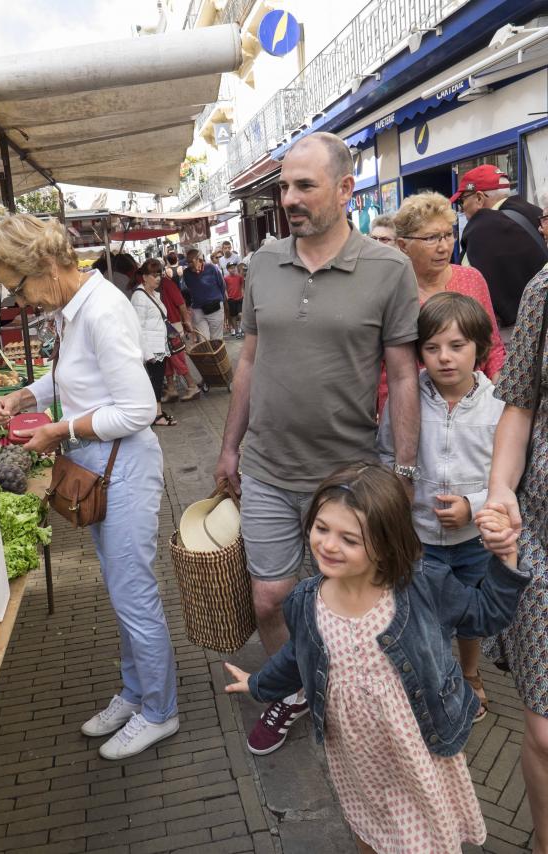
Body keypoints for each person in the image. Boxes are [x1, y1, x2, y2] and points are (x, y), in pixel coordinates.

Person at [215, 131, 421, 755]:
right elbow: (247, 360)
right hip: (269, 467)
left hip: (347, 476)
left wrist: (403, 471)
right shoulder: (262, 264)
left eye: (305, 185)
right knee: (270, 595)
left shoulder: (389, 269)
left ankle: (357, 694)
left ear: (345, 188)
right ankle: (297, 690)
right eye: (284, 186)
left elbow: (405, 373)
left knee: (349, 596)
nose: (290, 199)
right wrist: (229, 447)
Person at [225, 463, 529, 854]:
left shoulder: (422, 585)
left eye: (349, 539)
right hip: (355, 755)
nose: (329, 545)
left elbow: (486, 613)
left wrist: (505, 560)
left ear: (386, 543)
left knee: (425, 837)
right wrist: (258, 684)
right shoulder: (305, 601)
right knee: (367, 825)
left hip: (418, 747)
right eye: (321, 528)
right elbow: (297, 657)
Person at [0, 213, 178, 760]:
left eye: (18, 287)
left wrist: (60, 429)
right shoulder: (76, 309)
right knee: (122, 593)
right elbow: (73, 376)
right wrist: (24, 398)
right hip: (99, 468)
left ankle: (160, 709)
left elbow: (141, 409)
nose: (21, 301)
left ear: (45, 265)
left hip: (123, 468)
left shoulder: (103, 309)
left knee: (134, 595)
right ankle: (136, 693)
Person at [379, 292, 505, 721]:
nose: (444, 358)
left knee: (470, 613)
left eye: (457, 346)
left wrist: (473, 506)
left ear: (480, 348)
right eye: (431, 348)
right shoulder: (406, 398)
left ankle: (470, 674)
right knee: (422, 616)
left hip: (474, 540)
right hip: (419, 538)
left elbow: (511, 478)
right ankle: (435, 679)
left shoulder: (500, 405)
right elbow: (385, 454)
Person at [476, 263, 548, 852]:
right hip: (542, 534)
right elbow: (519, 404)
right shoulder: (546, 288)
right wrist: (501, 488)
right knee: (546, 733)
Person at [377, 191, 506, 415]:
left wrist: (500, 400)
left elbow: (492, 346)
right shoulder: (390, 290)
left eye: (448, 235)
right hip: (415, 408)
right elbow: (383, 368)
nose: (444, 247)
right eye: (430, 238)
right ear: (402, 244)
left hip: (474, 407)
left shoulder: (471, 278)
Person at [451, 164, 548, 341]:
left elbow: (467, 290)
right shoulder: (536, 212)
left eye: (462, 200)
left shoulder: (480, 227)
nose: (462, 208)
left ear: (479, 198)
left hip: (511, 335)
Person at [131, 260, 177, 427]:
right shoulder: (139, 296)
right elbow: (138, 327)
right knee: (154, 382)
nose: (158, 278)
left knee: (157, 381)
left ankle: (156, 413)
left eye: (159, 274)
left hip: (159, 346)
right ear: (144, 277)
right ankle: (156, 415)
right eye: (154, 275)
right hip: (151, 349)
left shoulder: (153, 294)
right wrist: (147, 353)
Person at [157, 265, 200, 403]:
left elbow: (181, 303)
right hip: (162, 327)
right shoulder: (154, 286)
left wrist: (186, 321)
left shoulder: (166, 283)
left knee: (176, 358)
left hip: (172, 326)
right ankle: (171, 389)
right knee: (167, 359)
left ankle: (192, 386)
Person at [182, 248, 228, 343]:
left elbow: (222, 285)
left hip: (215, 307)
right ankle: (208, 357)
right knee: (203, 340)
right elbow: (190, 288)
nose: (195, 269)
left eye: (196, 265)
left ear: (201, 260)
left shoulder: (211, 268)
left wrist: (220, 300)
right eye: (191, 266)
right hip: (198, 309)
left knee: (216, 340)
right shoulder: (186, 273)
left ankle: (217, 358)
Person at [224, 261, 245, 338]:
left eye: (234, 268)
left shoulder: (239, 277)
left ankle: (242, 329)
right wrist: (227, 297)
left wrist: (243, 294)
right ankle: (236, 331)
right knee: (233, 316)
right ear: (227, 269)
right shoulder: (225, 278)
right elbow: (225, 288)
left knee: (241, 314)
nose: (233, 269)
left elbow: (242, 286)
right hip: (231, 299)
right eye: (231, 268)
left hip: (239, 298)